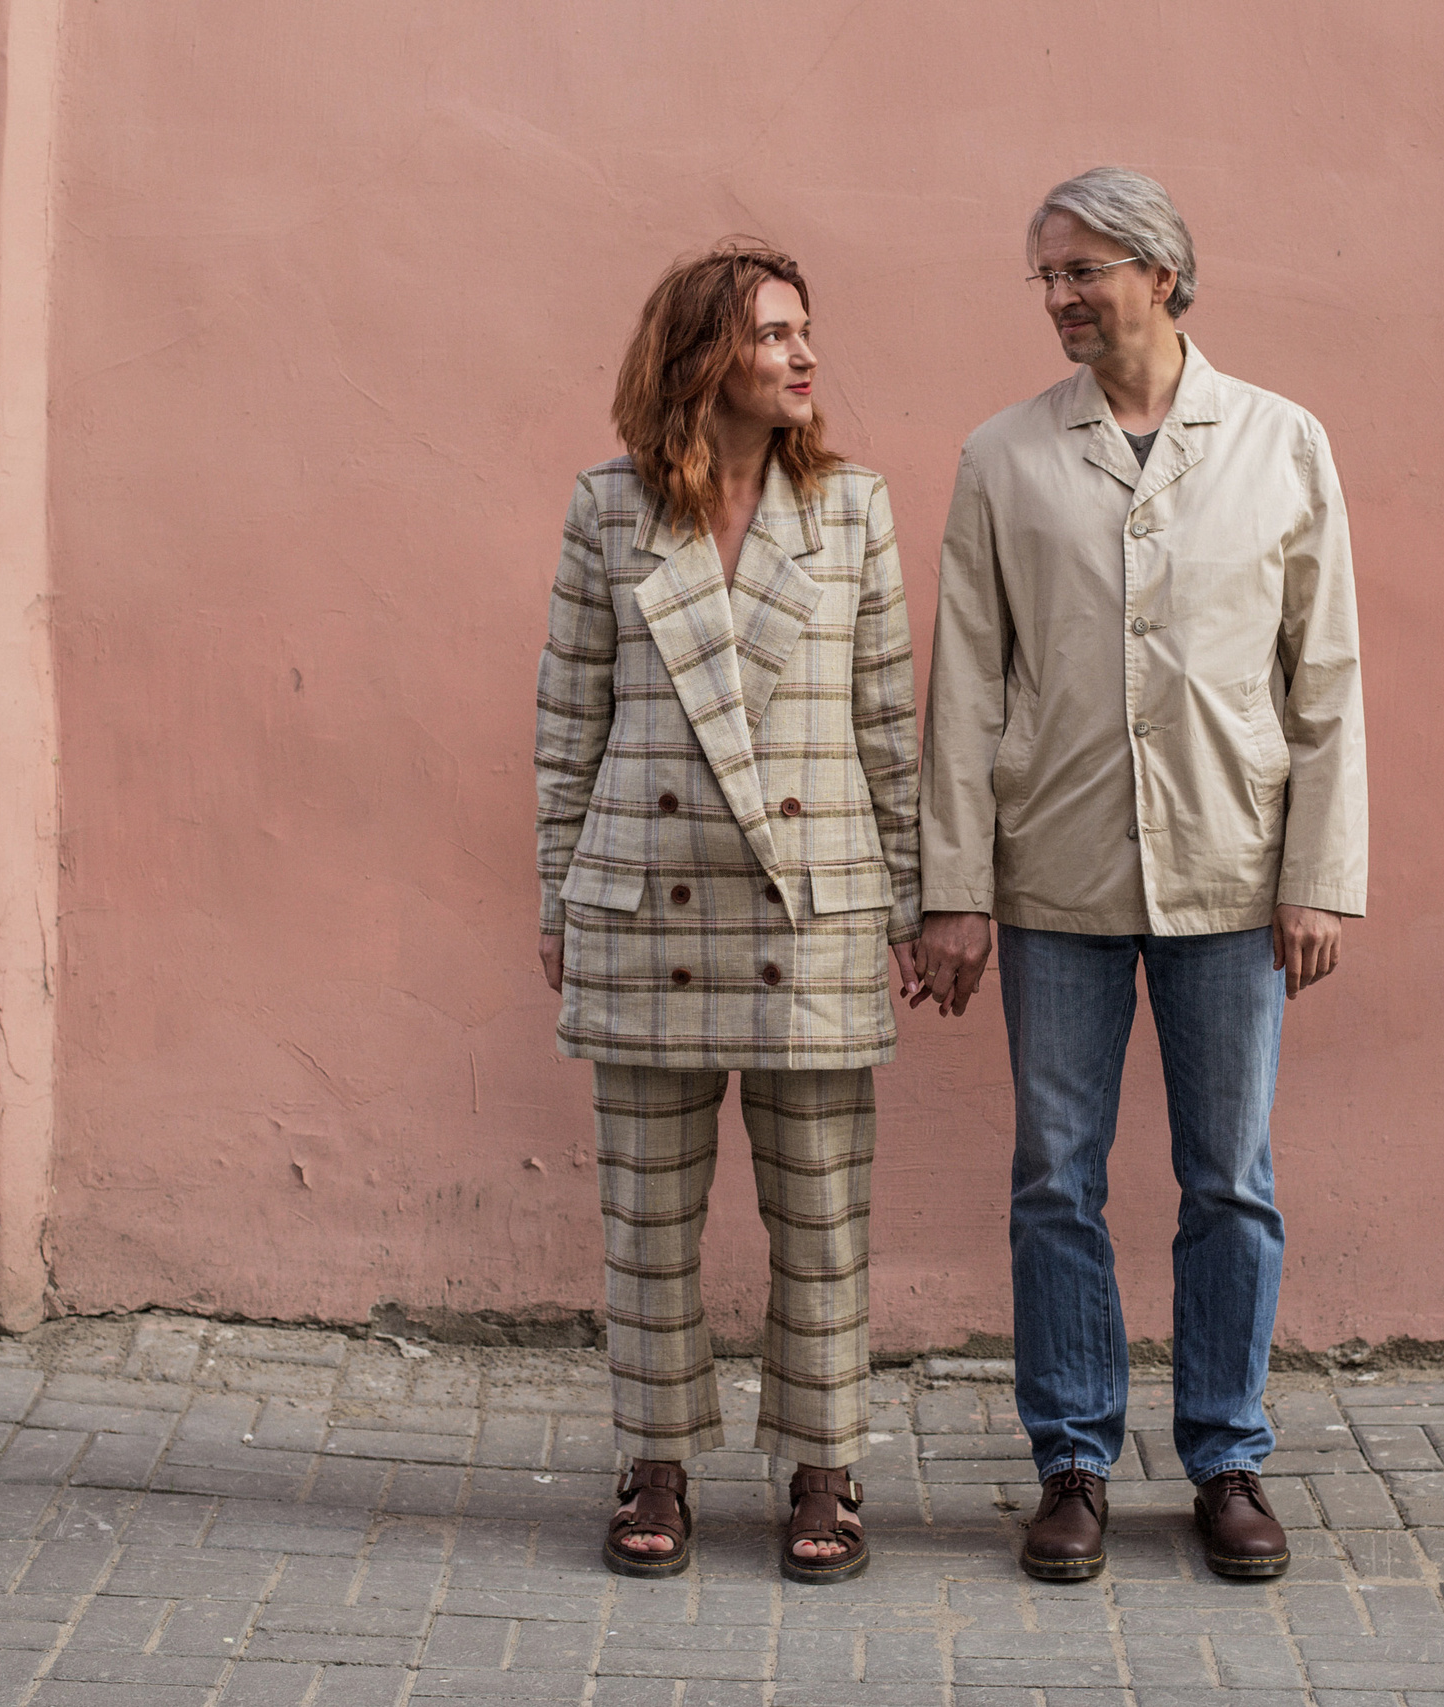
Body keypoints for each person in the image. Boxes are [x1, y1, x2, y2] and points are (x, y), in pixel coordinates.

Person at [916, 169, 1367, 1582]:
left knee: (1229, 1177)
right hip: (1055, 872)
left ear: (1161, 273)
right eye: (1046, 275)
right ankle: (1072, 1462)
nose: (1059, 297)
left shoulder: (1281, 442)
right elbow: (964, 687)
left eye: (1083, 270)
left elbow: (1326, 681)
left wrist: (1319, 874)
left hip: (1231, 870)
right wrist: (952, 888)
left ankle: (1228, 1457)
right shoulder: (1005, 456)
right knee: (1056, 1177)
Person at [534, 244, 921, 1583]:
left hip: (808, 906)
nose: (805, 356)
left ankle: (825, 1463)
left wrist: (912, 904)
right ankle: (655, 1460)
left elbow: (886, 724)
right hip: (646, 902)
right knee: (647, 1220)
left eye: (807, 330)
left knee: (821, 1215)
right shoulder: (609, 508)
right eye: (773, 334)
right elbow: (570, 718)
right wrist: (558, 894)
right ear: (704, 358)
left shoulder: (852, 509)